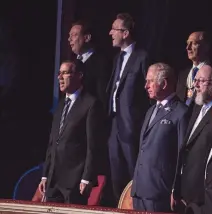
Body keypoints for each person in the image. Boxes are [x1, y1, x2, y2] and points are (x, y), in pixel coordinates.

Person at [38, 60, 106, 205]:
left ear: (79, 75)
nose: (60, 77)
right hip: (53, 180)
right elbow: (53, 142)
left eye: (65, 73)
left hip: (74, 182)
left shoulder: (91, 104)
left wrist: (87, 177)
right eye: (59, 73)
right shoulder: (61, 104)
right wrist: (45, 175)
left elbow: (93, 145)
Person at [131, 63, 188, 212]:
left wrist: (176, 190)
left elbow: (182, 156)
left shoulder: (181, 112)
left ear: (164, 83)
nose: (146, 86)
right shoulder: (150, 110)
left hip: (159, 191)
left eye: (150, 81)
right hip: (140, 190)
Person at [107, 13, 150, 203]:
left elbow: (149, 93)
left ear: (125, 33)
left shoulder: (142, 57)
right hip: (115, 124)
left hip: (133, 126)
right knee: (116, 174)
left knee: (134, 174)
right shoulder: (117, 58)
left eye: (114, 29)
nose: (110, 33)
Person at [171, 65, 212, 212]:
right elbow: (185, 150)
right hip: (184, 194)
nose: (196, 85)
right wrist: (176, 188)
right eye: (195, 80)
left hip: (203, 197)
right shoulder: (196, 108)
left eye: (201, 80)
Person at [68, 20, 110, 105]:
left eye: (74, 35)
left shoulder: (101, 63)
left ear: (87, 38)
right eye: (69, 36)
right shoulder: (73, 64)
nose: (69, 39)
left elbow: (102, 96)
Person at [176, 31, 211, 106]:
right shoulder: (182, 74)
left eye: (194, 43)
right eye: (188, 43)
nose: (188, 48)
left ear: (206, 47)